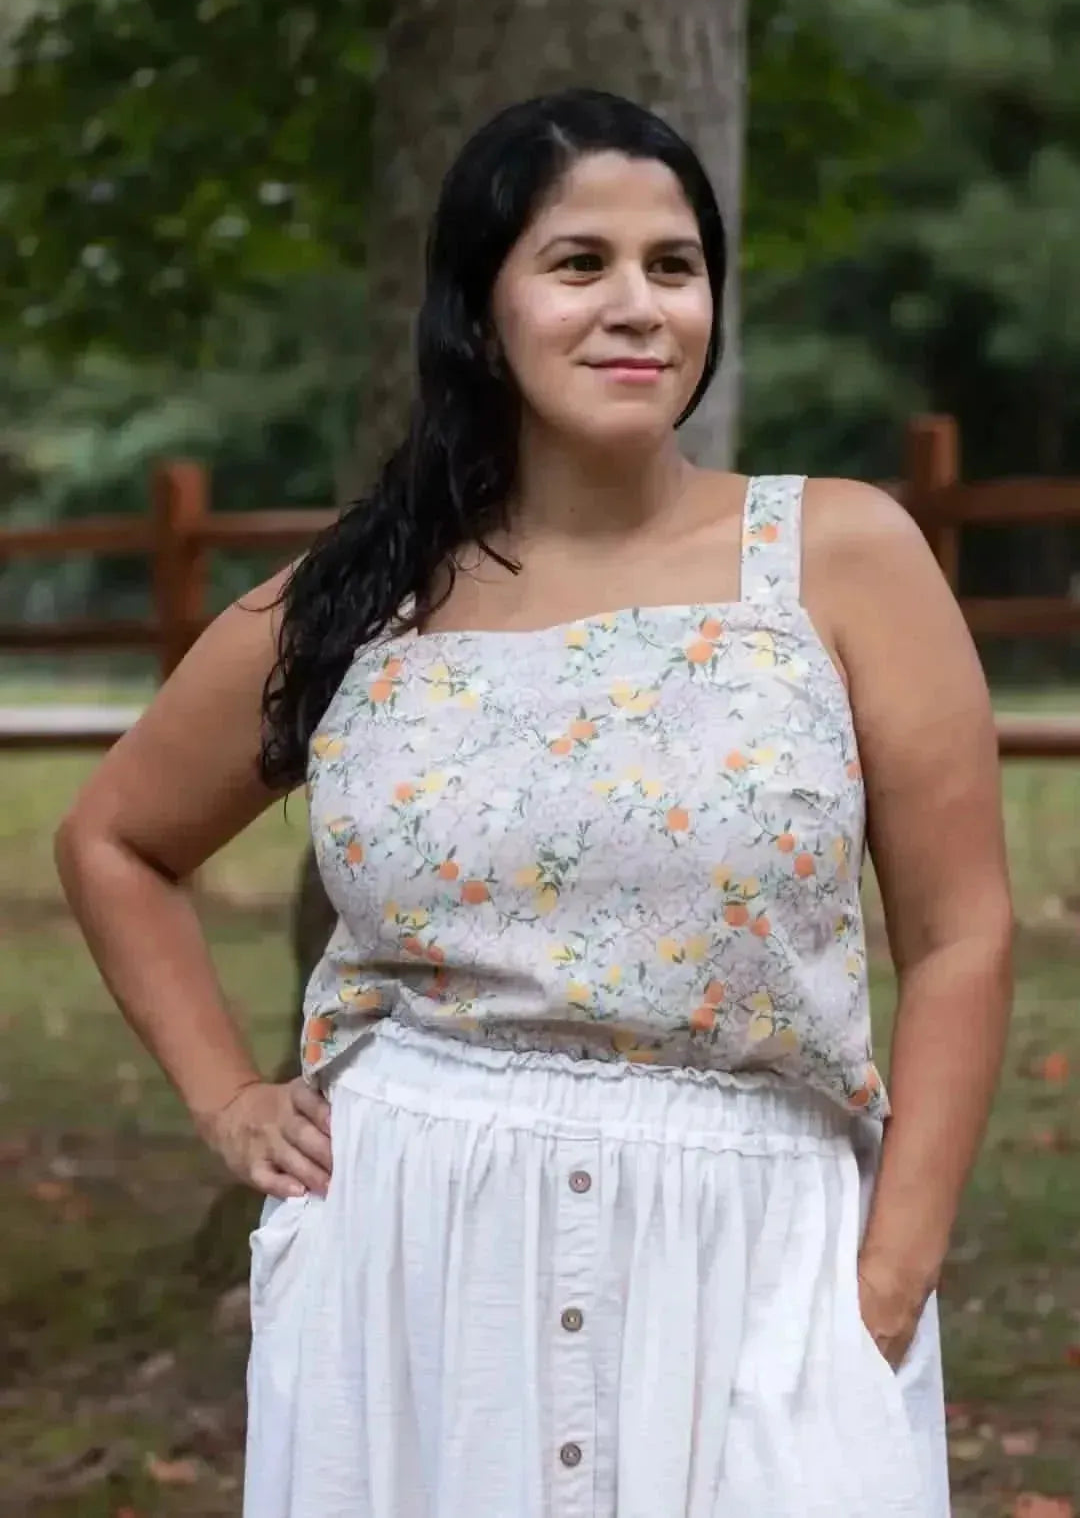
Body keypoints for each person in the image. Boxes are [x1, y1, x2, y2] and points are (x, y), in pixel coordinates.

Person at [55, 90, 1013, 1518]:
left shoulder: (840, 556)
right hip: (415, 1265)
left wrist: (887, 1279)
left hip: (756, 1256)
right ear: (479, 307)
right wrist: (228, 1101)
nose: (637, 306)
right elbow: (115, 838)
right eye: (580, 265)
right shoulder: (365, 598)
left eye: (674, 267)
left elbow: (962, 934)